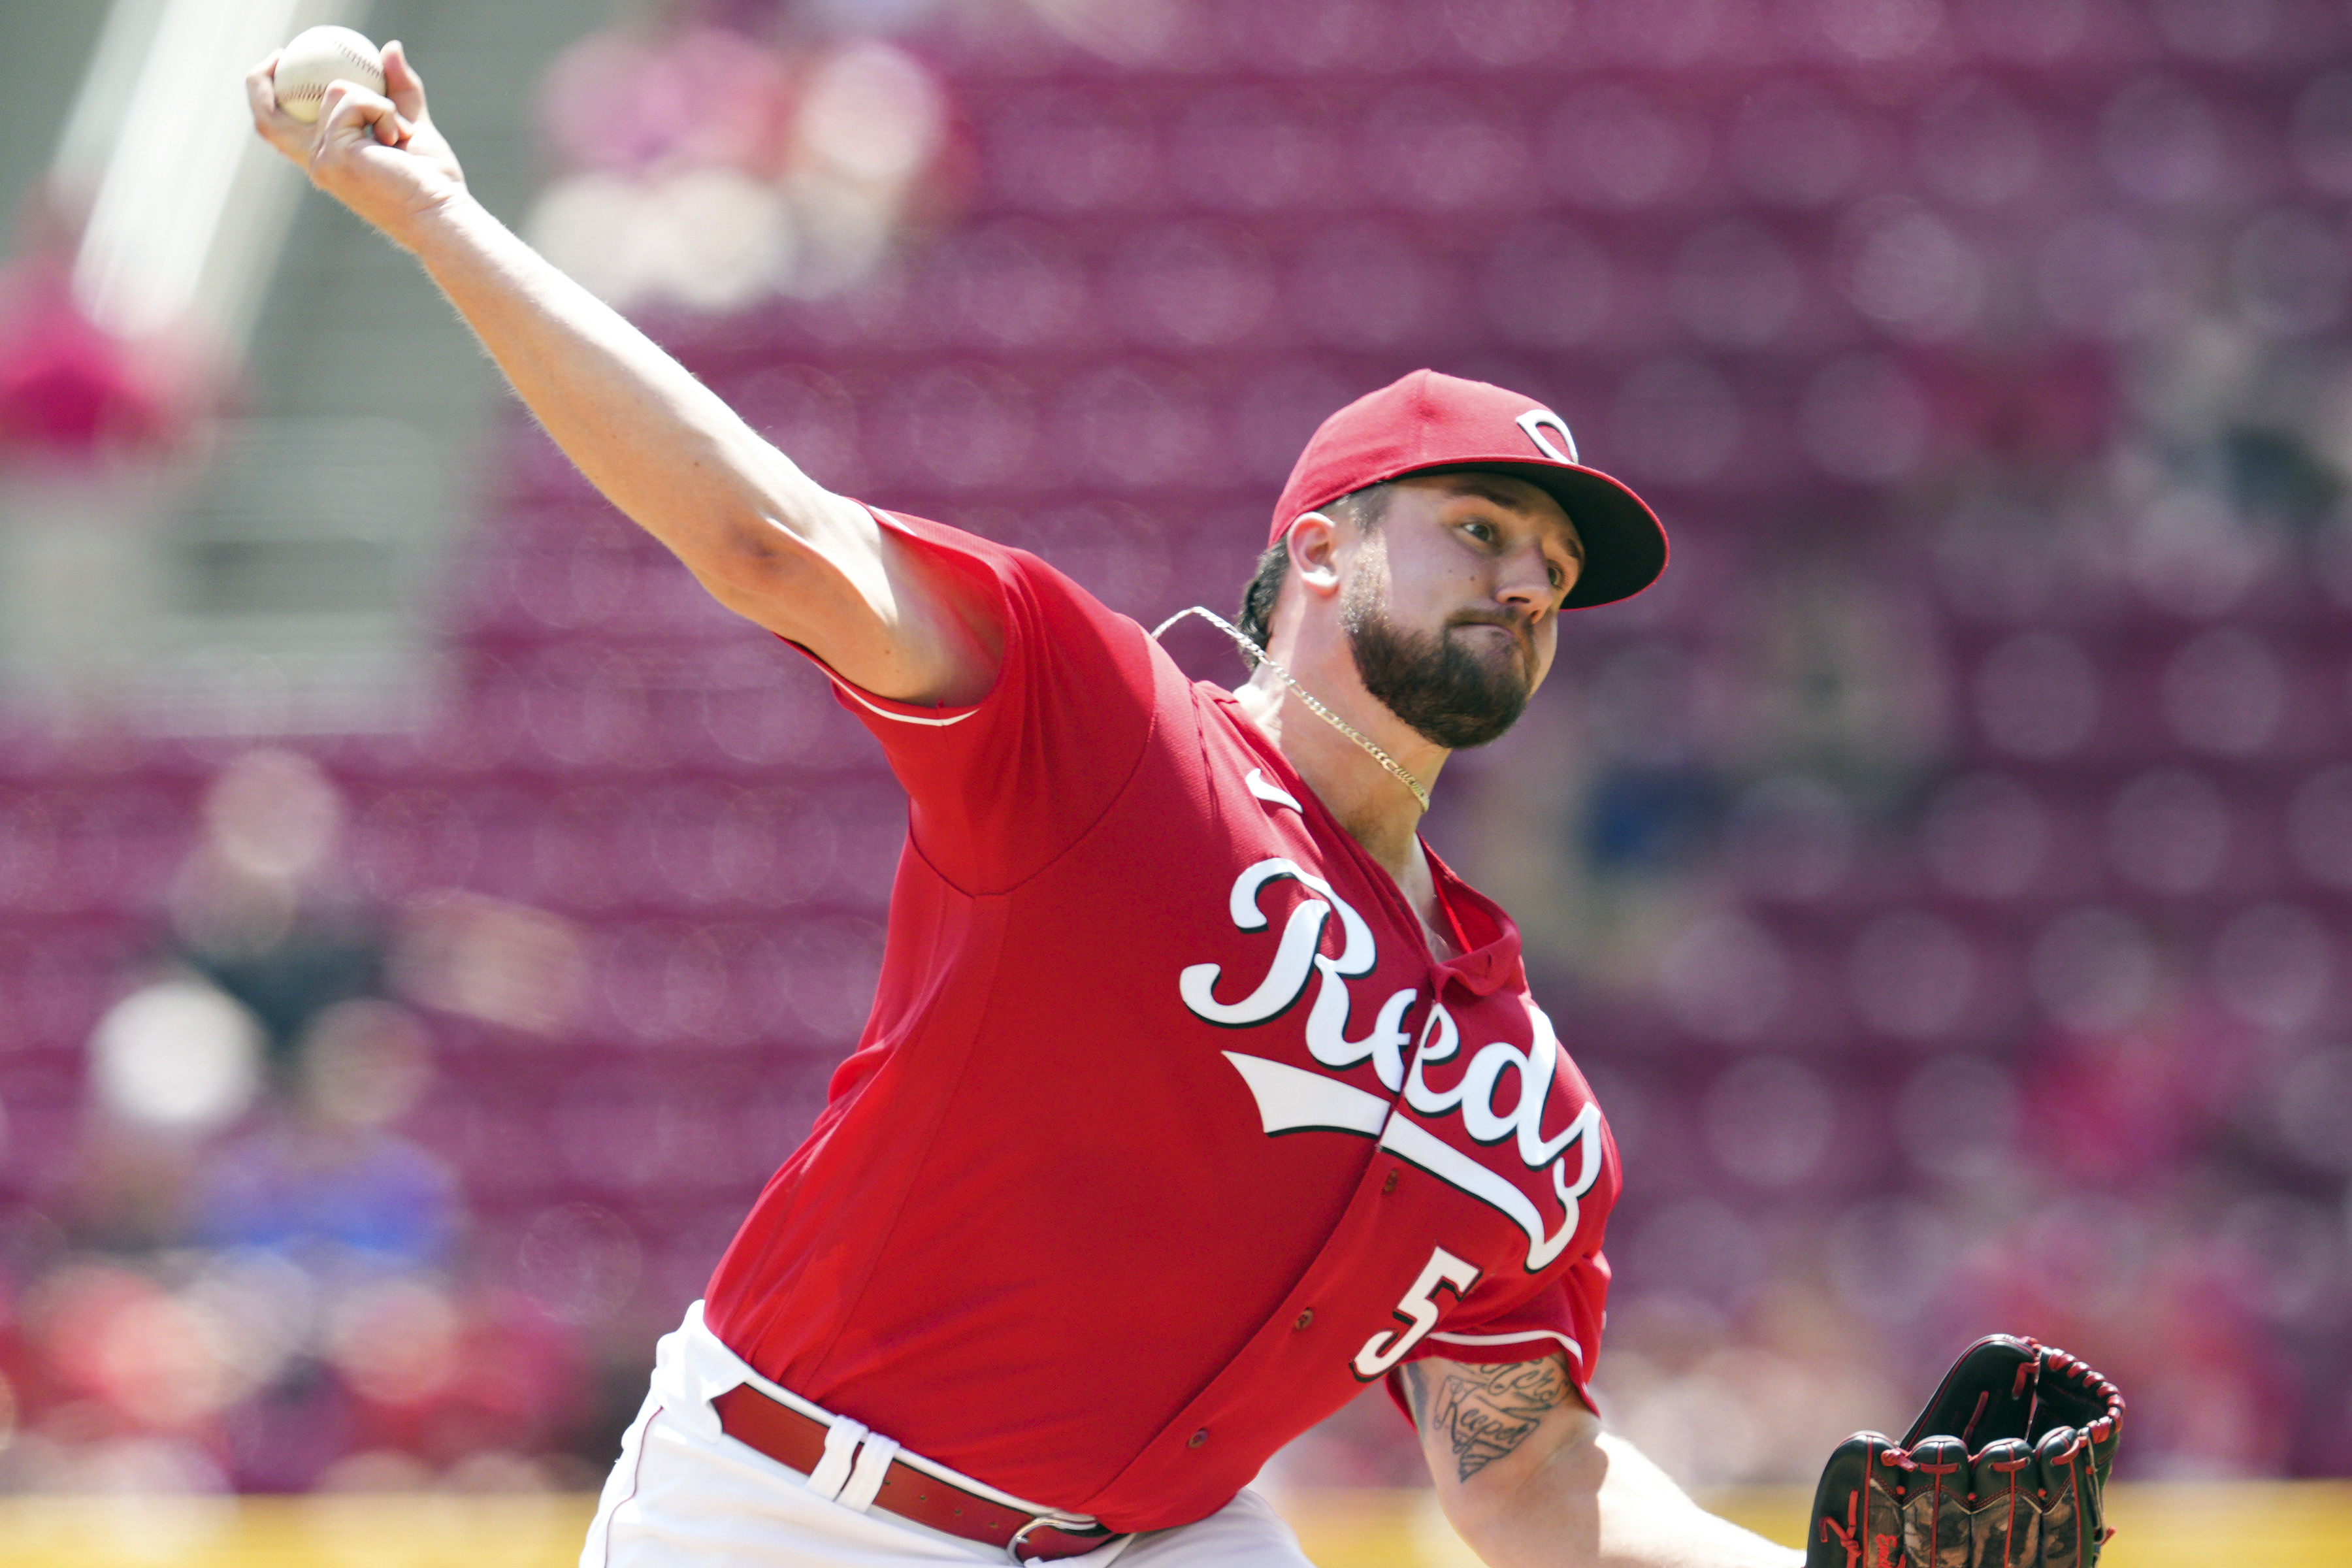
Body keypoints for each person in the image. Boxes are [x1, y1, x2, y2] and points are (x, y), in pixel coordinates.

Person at [246, 44, 1802, 1568]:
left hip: (1154, 1541)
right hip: (800, 1509)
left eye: (1554, 569)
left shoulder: (1522, 1092)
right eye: (1481, 528)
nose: (1529, 581)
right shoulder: (1103, 729)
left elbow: (1526, 1472)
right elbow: (771, 544)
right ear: (1320, 550)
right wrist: (443, 219)